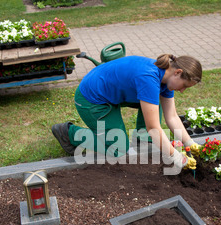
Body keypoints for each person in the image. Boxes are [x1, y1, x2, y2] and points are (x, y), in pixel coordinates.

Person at [52, 53, 202, 172]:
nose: (182, 91)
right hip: (91, 99)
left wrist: (190, 142)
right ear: (178, 72)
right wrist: (176, 157)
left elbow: (172, 116)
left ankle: (142, 139)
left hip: (109, 92)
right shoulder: (149, 78)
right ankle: (68, 132)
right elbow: (154, 127)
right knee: (118, 148)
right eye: (184, 86)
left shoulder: (165, 79)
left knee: (155, 102)